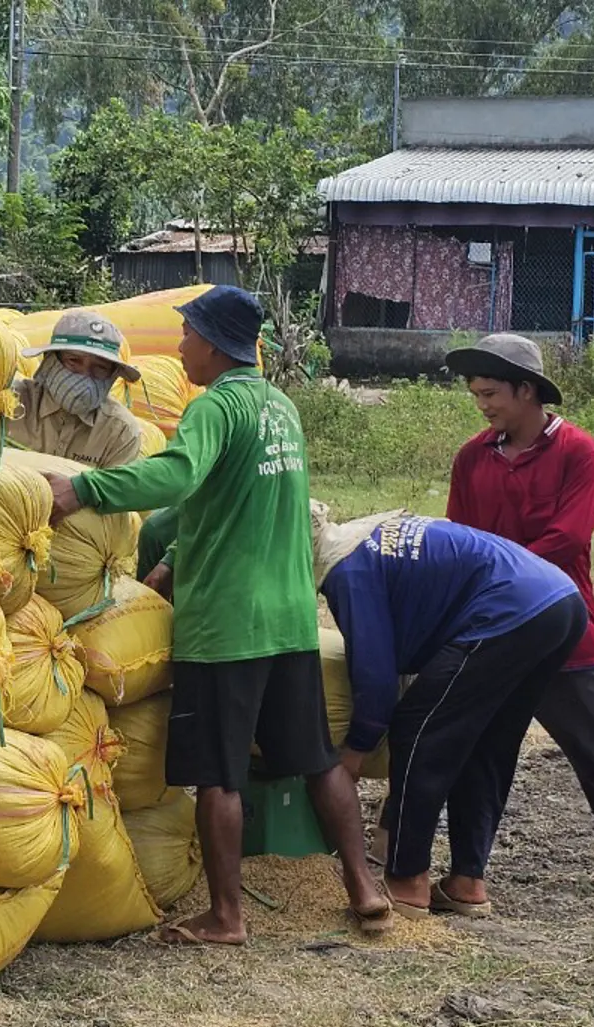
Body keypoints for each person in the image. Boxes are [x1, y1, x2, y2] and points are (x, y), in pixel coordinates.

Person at [42, 285, 390, 943]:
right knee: (316, 759)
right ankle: (364, 887)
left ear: (212, 342)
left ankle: (226, 917)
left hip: (225, 626)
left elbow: (175, 477)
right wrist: (175, 552)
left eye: (187, 336)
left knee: (218, 777)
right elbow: (239, 497)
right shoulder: (279, 408)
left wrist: (83, 488)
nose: (179, 348)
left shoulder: (214, 409)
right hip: (287, 619)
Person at [443, 333, 594, 886]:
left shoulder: (580, 452)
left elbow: (568, 537)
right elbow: (459, 538)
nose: (483, 405)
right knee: (482, 750)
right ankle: (468, 873)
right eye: (475, 395)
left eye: (491, 393)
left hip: (566, 624)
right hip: (490, 623)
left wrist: (495, 575)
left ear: (526, 389)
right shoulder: (471, 458)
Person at [315, 506, 587, 918]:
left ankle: (406, 882)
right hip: (559, 601)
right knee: (489, 742)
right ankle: (466, 882)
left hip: (506, 610)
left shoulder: (346, 569)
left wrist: (356, 748)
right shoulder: (367, 538)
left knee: (418, 731)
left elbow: (375, 675)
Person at [11, 310, 144, 468]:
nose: (84, 376)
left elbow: (113, 491)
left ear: (112, 375)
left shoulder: (121, 432)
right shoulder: (8, 402)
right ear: (50, 361)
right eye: (74, 361)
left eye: (100, 367)